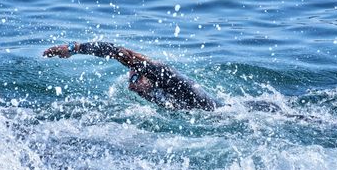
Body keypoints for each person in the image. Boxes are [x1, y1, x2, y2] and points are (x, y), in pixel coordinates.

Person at [43, 42, 218, 111]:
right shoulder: (163, 95)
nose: (131, 86)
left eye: (134, 79)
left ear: (147, 76)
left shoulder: (158, 70)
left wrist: (74, 49)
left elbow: (118, 52)